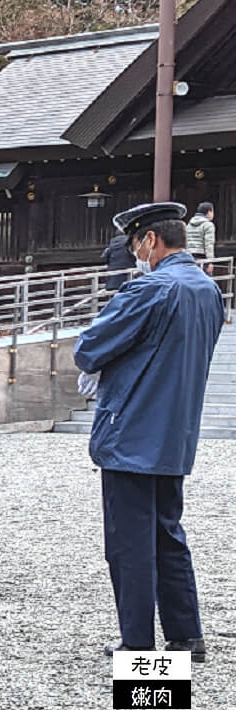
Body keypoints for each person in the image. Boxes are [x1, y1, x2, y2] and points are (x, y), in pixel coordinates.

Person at [74, 202, 225, 662]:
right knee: (167, 532)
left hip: (132, 430)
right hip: (175, 432)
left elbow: (90, 347)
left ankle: (139, 648)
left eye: (136, 242)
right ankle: (186, 635)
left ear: (151, 241)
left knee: (129, 543)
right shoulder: (209, 290)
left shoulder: (150, 289)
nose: (136, 251)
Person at [186, 201, 216, 275]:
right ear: (209, 212)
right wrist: (210, 261)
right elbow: (209, 244)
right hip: (202, 257)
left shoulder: (189, 225)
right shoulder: (208, 225)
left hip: (189, 257)